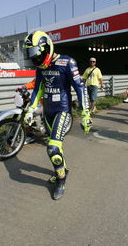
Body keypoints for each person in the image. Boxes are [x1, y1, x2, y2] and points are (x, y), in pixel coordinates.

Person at [23, 30, 92, 200]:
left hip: (63, 111)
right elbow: (38, 88)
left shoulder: (67, 62)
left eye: (37, 54)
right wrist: (31, 109)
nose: (35, 59)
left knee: (52, 148)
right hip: (48, 112)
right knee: (57, 148)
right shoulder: (40, 68)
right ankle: (62, 169)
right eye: (31, 55)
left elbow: (80, 88)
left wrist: (85, 114)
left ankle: (61, 180)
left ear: (46, 47)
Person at [15, 78, 37, 144]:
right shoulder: (41, 75)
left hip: (47, 100)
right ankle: (29, 133)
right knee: (27, 114)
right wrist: (23, 87)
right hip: (36, 99)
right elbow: (32, 83)